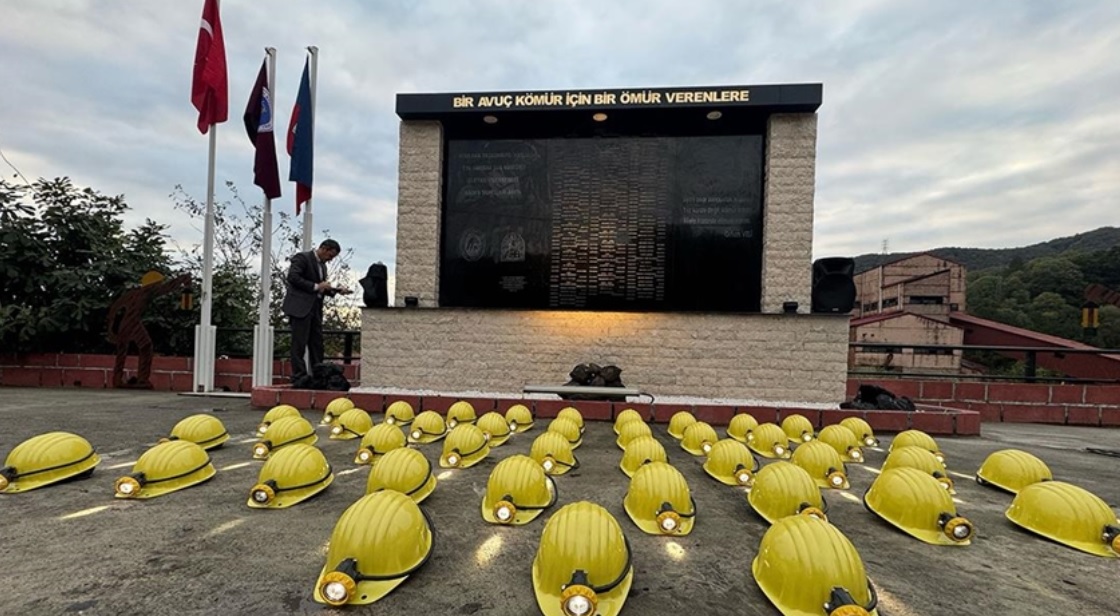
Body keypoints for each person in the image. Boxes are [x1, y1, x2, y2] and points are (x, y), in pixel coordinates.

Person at [282, 239, 352, 383]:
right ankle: (299, 376)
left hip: (315, 309)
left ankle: (318, 375)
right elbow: (293, 278)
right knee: (299, 344)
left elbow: (321, 287)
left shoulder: (322, 266)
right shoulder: (303, 258)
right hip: (300, 308)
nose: (330, 260)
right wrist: (315, 286)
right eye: (330, 256)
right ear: (324, 249)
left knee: (316, 343)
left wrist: (336, 290)